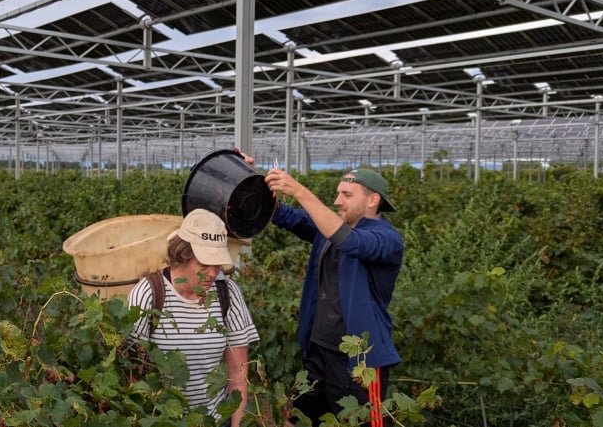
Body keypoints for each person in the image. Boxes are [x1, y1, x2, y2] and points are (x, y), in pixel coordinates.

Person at [262, 162, 403, 427]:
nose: (338, 201)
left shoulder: (387, 238)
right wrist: (250, 179)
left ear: (373, 199)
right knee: (299, 418)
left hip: (359, 361)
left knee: (357, 421)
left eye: (347, 195)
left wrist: (300, 191)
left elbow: (351, 242)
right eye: (337, 193)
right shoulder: (329, 227)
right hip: (318, 350)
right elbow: (283, 215)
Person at [126, 209, 260, 427]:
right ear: (182, 255)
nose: (211, 273)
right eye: (204, 264)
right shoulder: (149, 294)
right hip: (162, 420)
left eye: (217, 265)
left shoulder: (228, 293)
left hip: (215, 421)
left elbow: (238, 372)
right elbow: (132, 374)